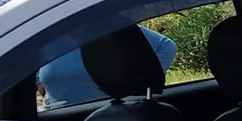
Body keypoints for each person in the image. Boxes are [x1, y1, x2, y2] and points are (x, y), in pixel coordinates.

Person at [39, 24, 177, 104]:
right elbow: (29, 61)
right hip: (56, 114)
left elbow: (167, 47)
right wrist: (38, 81)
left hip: (108, 114)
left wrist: (142, 82)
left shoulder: (112, 29)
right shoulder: (47, 35)